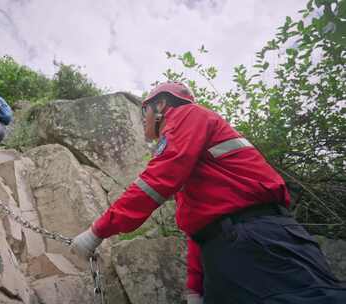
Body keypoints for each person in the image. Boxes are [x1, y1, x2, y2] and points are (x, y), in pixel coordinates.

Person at [71, 82, 346, 304]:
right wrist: (195, 288)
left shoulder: (186, 116)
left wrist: (97, 231)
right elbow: (200, 224)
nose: (143, 120)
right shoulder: (196, 161)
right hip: (238, 243)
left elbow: (156, 180)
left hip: (255, 240)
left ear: (162, 105)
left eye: (145, 112)